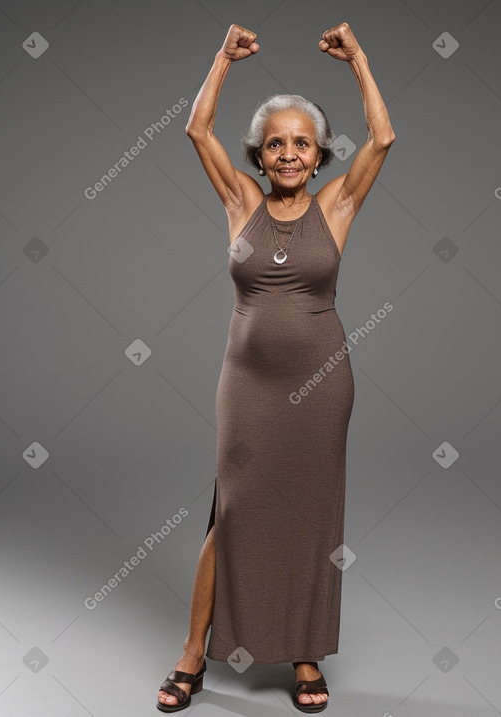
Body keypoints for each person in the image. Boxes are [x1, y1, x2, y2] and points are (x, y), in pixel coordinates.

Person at [157, 21, 395, 713]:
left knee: (310, 517)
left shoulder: (337, 205)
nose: (288, 152)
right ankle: (192, 653)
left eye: (301, 141)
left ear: (319, 153)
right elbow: (196, 131)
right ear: (259, 155)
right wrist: (222, 59)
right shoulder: (241, 203)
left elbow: (382, 138)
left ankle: (305, 654)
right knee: (230, 513)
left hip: (322, 386)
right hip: (249, 385)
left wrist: (360, 59)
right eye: (275, 142)